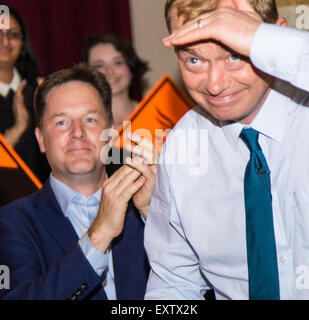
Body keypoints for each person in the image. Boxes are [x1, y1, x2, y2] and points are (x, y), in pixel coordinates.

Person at [144, 0, 309, 300]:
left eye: (234, 55)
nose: (215, 85)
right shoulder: (183, 144)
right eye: (194, 61)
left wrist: (261, 40)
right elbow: (173, 281)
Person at [0, 63, 157, 300]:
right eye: (62, 122)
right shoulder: (12, 222)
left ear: (111, 134)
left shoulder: (148, 202)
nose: (78, 132)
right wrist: (99, 233)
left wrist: (154, 214)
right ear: (41, 139)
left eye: (90, 120)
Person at [0, 6, 50, 182]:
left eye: (13, 34)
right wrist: (16, 131)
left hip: (43, 200)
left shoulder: (41, 88)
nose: (5, 42)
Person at [82, 33, 149, 128]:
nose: (109, 72)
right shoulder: (82, 125)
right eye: (99, 65)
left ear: (131, 68)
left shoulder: (155, 114)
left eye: (118, 63)